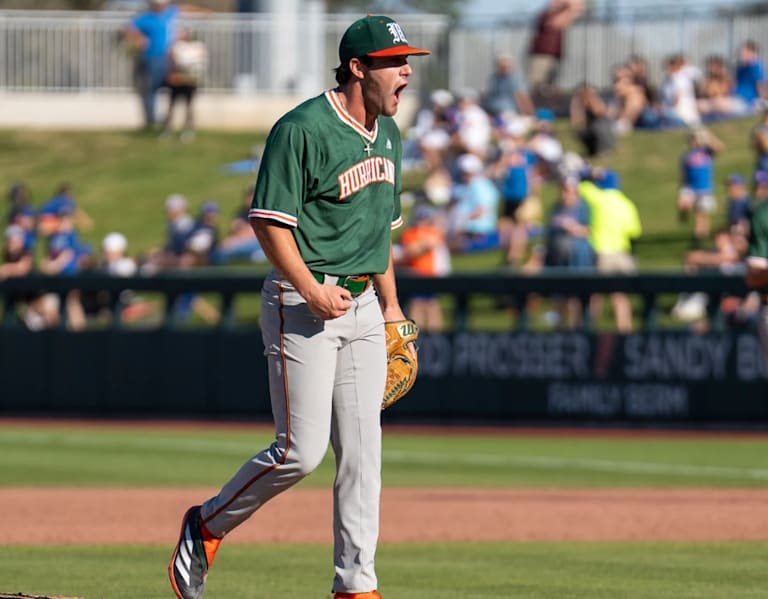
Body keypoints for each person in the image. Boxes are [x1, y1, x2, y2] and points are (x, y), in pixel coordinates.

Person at [168, 14, 428, 599]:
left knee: (365, 456)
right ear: (359, 68)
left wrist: (390, 308)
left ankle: (356, 587)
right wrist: (310, 288)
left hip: (362, 306)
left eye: (408, 61)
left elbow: (380, 233)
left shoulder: (389, 134)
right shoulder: (302, 128)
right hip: (301, 303)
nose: (407, 72)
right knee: (299, 452)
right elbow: (267, 223)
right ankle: (206, 524)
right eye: (395, 63)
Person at [122, 0, 210, 130]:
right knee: (151, 89)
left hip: (171, 59)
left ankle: (169, 120)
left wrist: (204, 12)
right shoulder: (146, 18)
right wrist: (139, 38)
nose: (161, 6)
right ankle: (151, 121)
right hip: (152, 58)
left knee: (176, 88)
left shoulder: (170, 13)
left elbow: (186, 9)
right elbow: (128, 28)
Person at [526, 0, 585, 107]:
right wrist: (569, 7)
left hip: (554, 55)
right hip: (541, 55)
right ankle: (534, 111)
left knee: (551, 86)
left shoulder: (562, 14)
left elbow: (565, 22)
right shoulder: (545, 14)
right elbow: (555, 24)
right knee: (537, 86)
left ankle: (548, 112)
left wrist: (572, 9)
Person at [677, 127, 724, 244]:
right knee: (683, 204)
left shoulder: (707, 152)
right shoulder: (686, 156)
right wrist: (682, 185)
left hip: (705, 189)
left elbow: (720, 147)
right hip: (690, 187)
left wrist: (707, 136)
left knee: (702, 214)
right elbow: (683, 173)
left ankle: (700, 237)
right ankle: (685, 216)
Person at [161, 27, 209, 141]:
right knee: (171, 105)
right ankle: (167, 129)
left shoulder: (198, 46)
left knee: (189, 106)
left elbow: (200, 62)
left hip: (190, 80)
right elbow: (173, 60)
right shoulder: (176, 47)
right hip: (177, 80)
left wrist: (186, 63)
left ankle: (188, 130)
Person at [483, 53, 534, 118]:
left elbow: (521, 96)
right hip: (490, 109)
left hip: (507, 111)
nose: (504, 68)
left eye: (506, 66)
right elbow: (488, 95)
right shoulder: (494, 77)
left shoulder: (515, 78)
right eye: (501, 65)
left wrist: (529, 114)